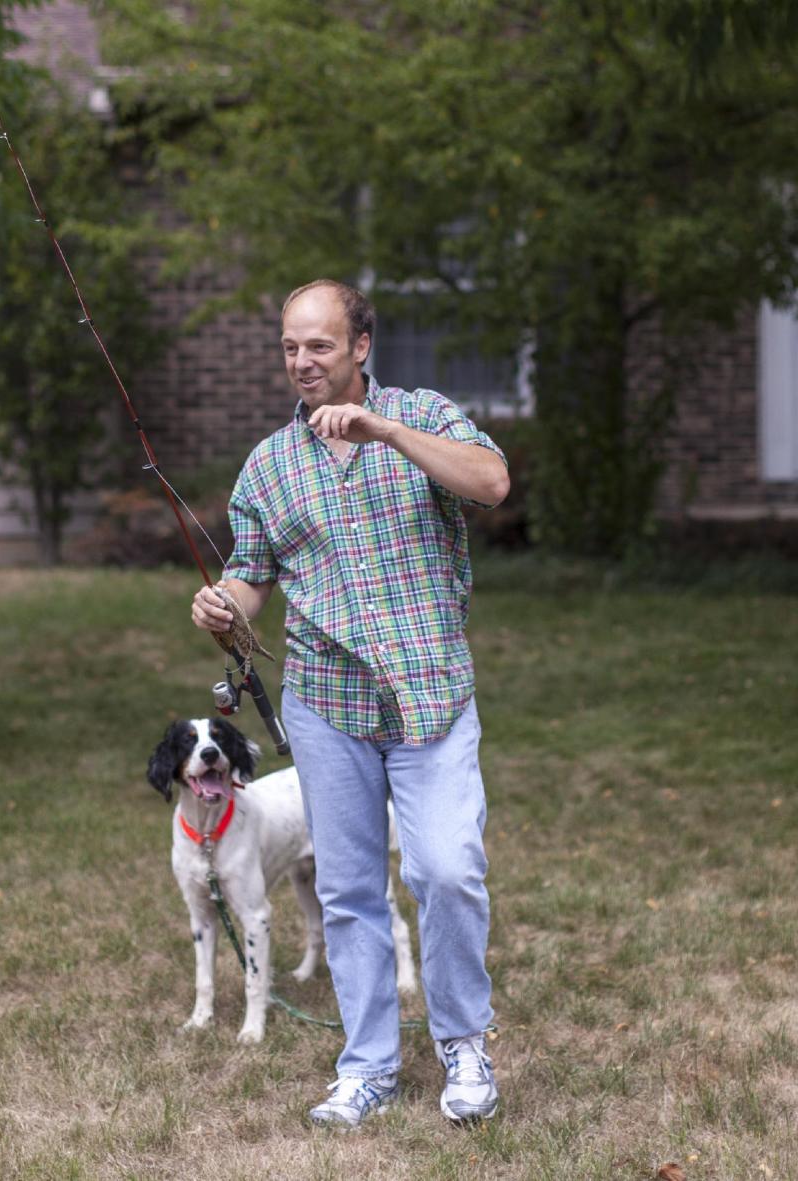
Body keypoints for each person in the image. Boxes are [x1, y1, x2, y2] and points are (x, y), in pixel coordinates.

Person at [191, 278, 510, 1128]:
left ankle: (463, 1043)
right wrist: (225, 603)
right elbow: (252, 572)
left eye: (319, 345)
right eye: (291, 347)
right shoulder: (269, 463)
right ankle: (366, 1065)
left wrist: (388, 432)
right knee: (350, 889)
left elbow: (492, 482)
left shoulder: (423, 415)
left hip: (430, 694)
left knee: (447, 867)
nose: (302, 361)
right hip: (328, 705)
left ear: (361, 346)